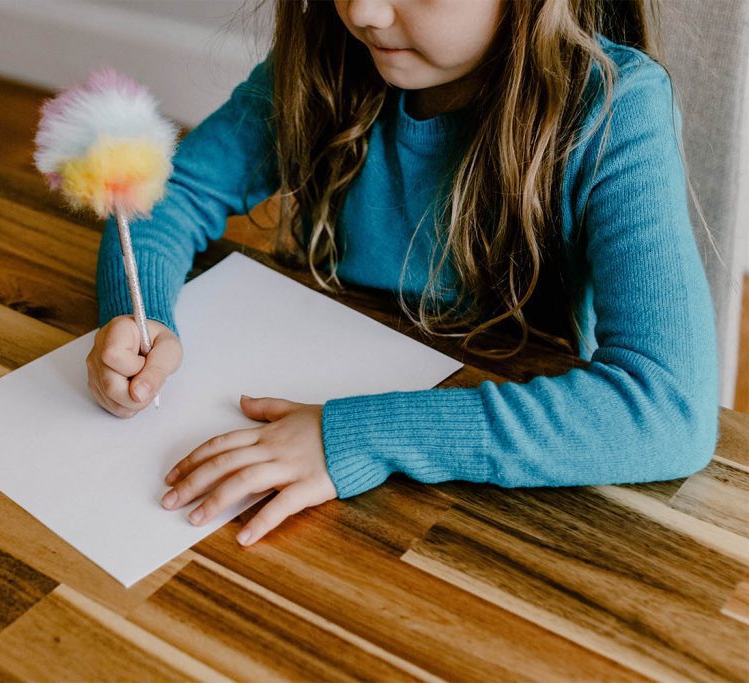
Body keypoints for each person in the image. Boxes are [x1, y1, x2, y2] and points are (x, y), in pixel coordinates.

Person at [85, 0, 717, 546]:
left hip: (488, 504)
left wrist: (355, 437)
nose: (362, 11)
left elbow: (668, 410)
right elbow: (167, 196)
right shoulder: (323, 58)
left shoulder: (615, 108)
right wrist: (136, 315)